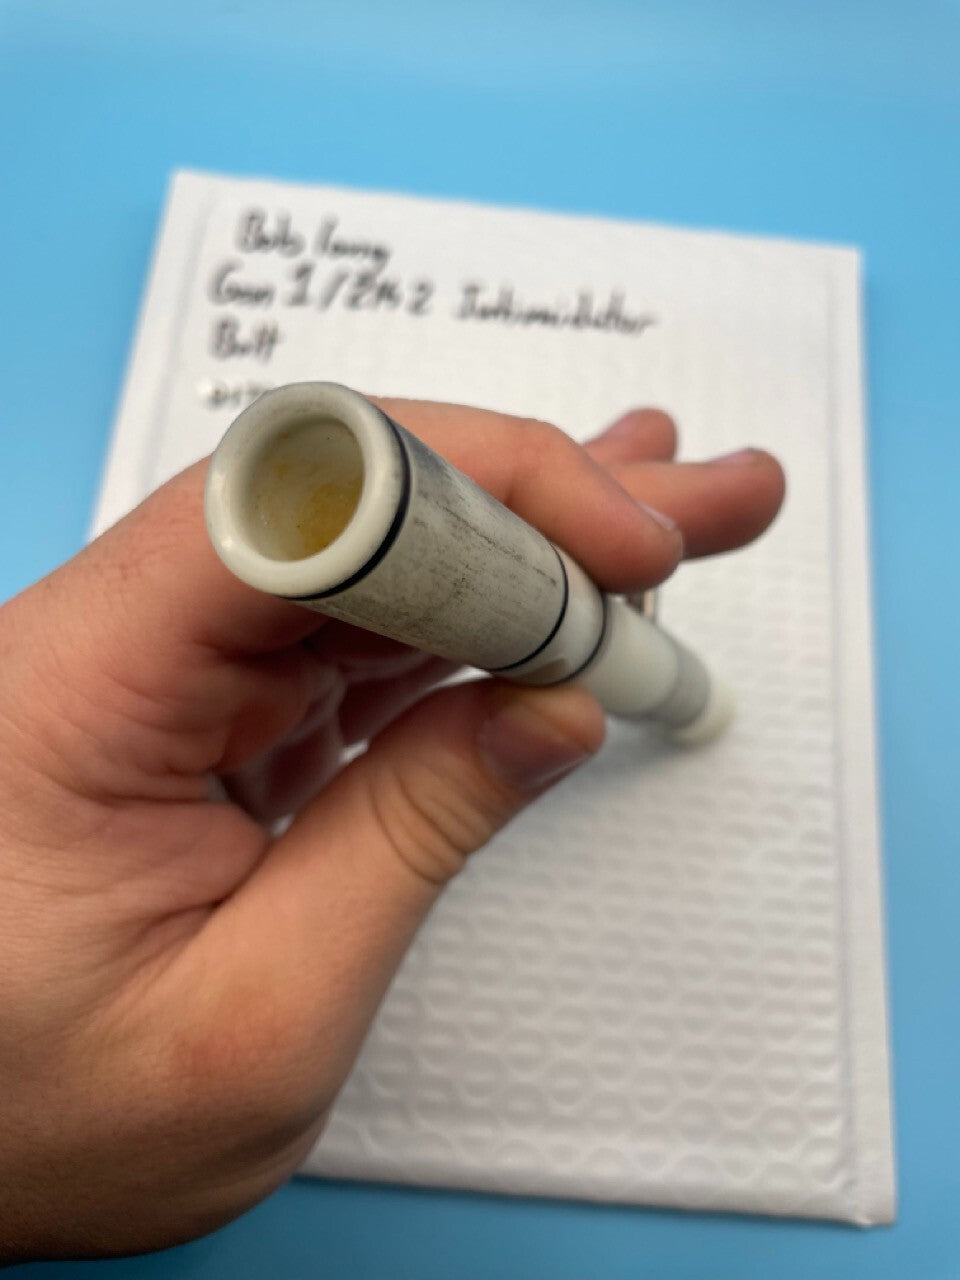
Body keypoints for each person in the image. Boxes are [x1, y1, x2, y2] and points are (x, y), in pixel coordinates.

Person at [0, 398, 784, 1261]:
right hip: (590, 650)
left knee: (668, 686)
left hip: (596, 647)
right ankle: (699, 711)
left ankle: (701, 713)